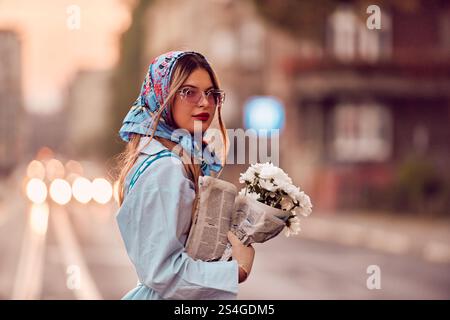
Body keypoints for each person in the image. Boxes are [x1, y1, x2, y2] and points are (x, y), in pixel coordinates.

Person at [115, 51, 255, 300]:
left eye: (212, 94)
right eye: (189, 92)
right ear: (161, 96)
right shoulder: (165, 168)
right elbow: (162, 273)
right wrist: (237, 271)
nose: (205, 103)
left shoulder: (166, 158)